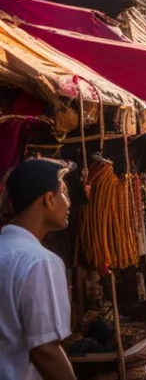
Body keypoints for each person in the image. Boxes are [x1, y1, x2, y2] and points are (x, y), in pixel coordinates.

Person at [0, 158, 76, 380]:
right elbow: (45, 351)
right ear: (49, 200)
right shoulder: (39, 262)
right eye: (63, 192)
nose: (69, 202)